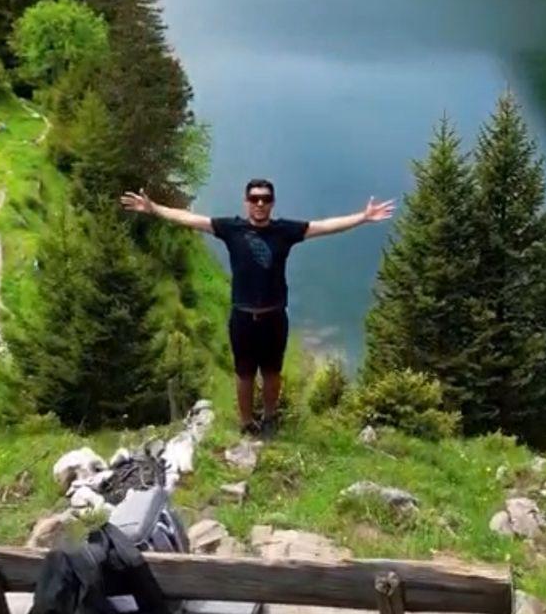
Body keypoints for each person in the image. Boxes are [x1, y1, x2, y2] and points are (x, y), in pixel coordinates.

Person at [121, 179, 395, 435]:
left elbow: (324, 227)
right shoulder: (231, 229)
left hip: (274, 316)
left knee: (273, 372)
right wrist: (153, 208)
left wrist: (362, 217)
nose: (260, 204)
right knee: (244, 373)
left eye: (265, 199)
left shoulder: (284, 231)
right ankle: (245, 422)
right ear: (246, 202)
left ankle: (269, 417)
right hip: (242, 316)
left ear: (272, 202)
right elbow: (190, 219)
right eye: (254, 199)